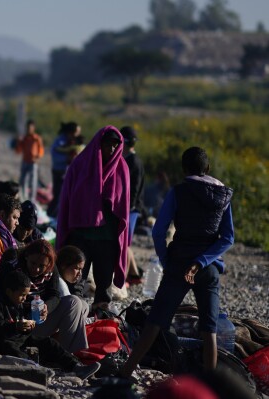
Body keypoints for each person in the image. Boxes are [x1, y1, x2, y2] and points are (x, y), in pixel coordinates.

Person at [118, 147, 234, 379]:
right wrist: (202, 261)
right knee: (208, 329)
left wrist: (167, 259)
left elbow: (159, 231)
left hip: (179, 263)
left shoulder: (179, 191)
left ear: (184, 169)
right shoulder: (223, 195)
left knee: (156, 321)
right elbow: (227, 238)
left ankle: (125, 372)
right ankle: (210, 385)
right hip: (208, 268)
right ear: (207, 168)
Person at [56, 126, 130, 312]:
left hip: (107, 238)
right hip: (80, 235)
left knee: (104, 283)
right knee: (75, 281)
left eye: (115, 145)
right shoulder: (80, 165)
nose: (111, 149)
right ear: (99, 144)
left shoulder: (122, 169)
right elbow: (66, 200)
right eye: (107, 145)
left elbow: (124, 207)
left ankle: (100, 322)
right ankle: (72, 318)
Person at [0, 268, 100, 380]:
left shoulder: (17, 302)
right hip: (1, 339)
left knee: (49, 343)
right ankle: (36, 370)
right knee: (13, 350)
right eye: (22, 295)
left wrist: (27, 327)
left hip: (19, 337)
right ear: (9, 292)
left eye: (26, 295)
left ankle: (76, 367)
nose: (24, 299)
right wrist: (16, 327)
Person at [0, 240, 90, 354]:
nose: (37, 269)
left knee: (82, 304)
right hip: (17, 326)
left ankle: (70, 353)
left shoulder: (51, 270)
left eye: (41, 266)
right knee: (74, 302)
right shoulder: (12, 270)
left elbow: (54, 294)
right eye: (33, 263)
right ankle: (66, 355)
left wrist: (46, 307)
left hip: (37, 319)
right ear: (26, 257)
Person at [120, 126, 146, 285]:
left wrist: (127, 207)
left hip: (131, 209)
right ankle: (134, 275)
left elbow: (134, 188)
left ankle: (125, 277)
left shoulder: (133, 162)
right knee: (126, 243)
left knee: (124, 243)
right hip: (131, 208)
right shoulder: (132, 160)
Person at [48, 121, 83, 217]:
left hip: (68, 173)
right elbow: (55, 155)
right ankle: (50, 215)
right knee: (58, 196)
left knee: (65, 197)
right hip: (59, 172)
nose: (78, 134)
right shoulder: (60, 141)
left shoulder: (73, 141)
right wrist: (67, 159)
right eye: (77, 132)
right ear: (71, 132)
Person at [16, 119, 44, 204]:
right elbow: (18, 151)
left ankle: (32, 200)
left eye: (30, 128)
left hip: (33, 162)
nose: (28, 129)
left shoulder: (36, 138)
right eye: (27, 127)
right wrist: (19, 141)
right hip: (25, 161)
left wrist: (38, 157)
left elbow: (41, 150)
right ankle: (24, 198)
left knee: (33, 182)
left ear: (33, 128)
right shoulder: (24, 138)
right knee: (22, 181)